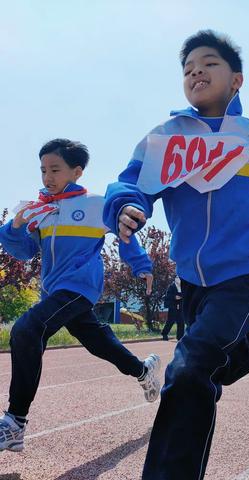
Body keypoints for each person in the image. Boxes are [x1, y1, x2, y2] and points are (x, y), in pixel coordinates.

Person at [103, 30, 249, 479]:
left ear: (237, 80)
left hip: (244, 272)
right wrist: (127, 206)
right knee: (214, 365)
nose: (196, 72)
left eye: (209, 64)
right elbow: (130, 183)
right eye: (187, 69)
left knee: (187, 371)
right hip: (192, 278)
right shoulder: (165, 138)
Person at [0, 139, 162, 453]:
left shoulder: (95, 205)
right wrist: (16, 226)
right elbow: (22, 251)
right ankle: (144, 371)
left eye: (55, 169)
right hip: (54, 290)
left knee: (25, 330)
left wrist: (141, 264)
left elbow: (125, 230)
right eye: (43, 170)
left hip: (79, 287)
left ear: (76, 171)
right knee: (98, 342)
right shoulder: (41, 211)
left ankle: (15, 422)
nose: (47, 176)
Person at [161, 276, 184, 340]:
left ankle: (180, 337)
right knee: (170, 321)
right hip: (173, 306)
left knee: (181, 322)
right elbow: (168, 296)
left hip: (181, 306)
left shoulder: (183, 287)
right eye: (177, 279)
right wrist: (174, 297)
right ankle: (164, 334)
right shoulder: (171, 287)